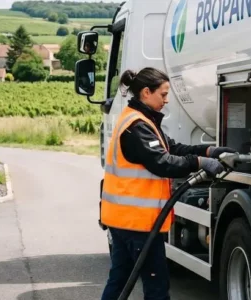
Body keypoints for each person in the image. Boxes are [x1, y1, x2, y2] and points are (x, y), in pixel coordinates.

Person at [100, 67, 236, 300]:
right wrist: (201, 162)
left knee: (120, 280)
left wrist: (209, 150)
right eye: (162, 94)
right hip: (137, 224)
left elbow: (171, 148)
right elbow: (163, 162)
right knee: (156, 288)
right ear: (146, 92)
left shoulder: (141, 120)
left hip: (124, 220)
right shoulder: (137, 127)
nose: (166, 100)